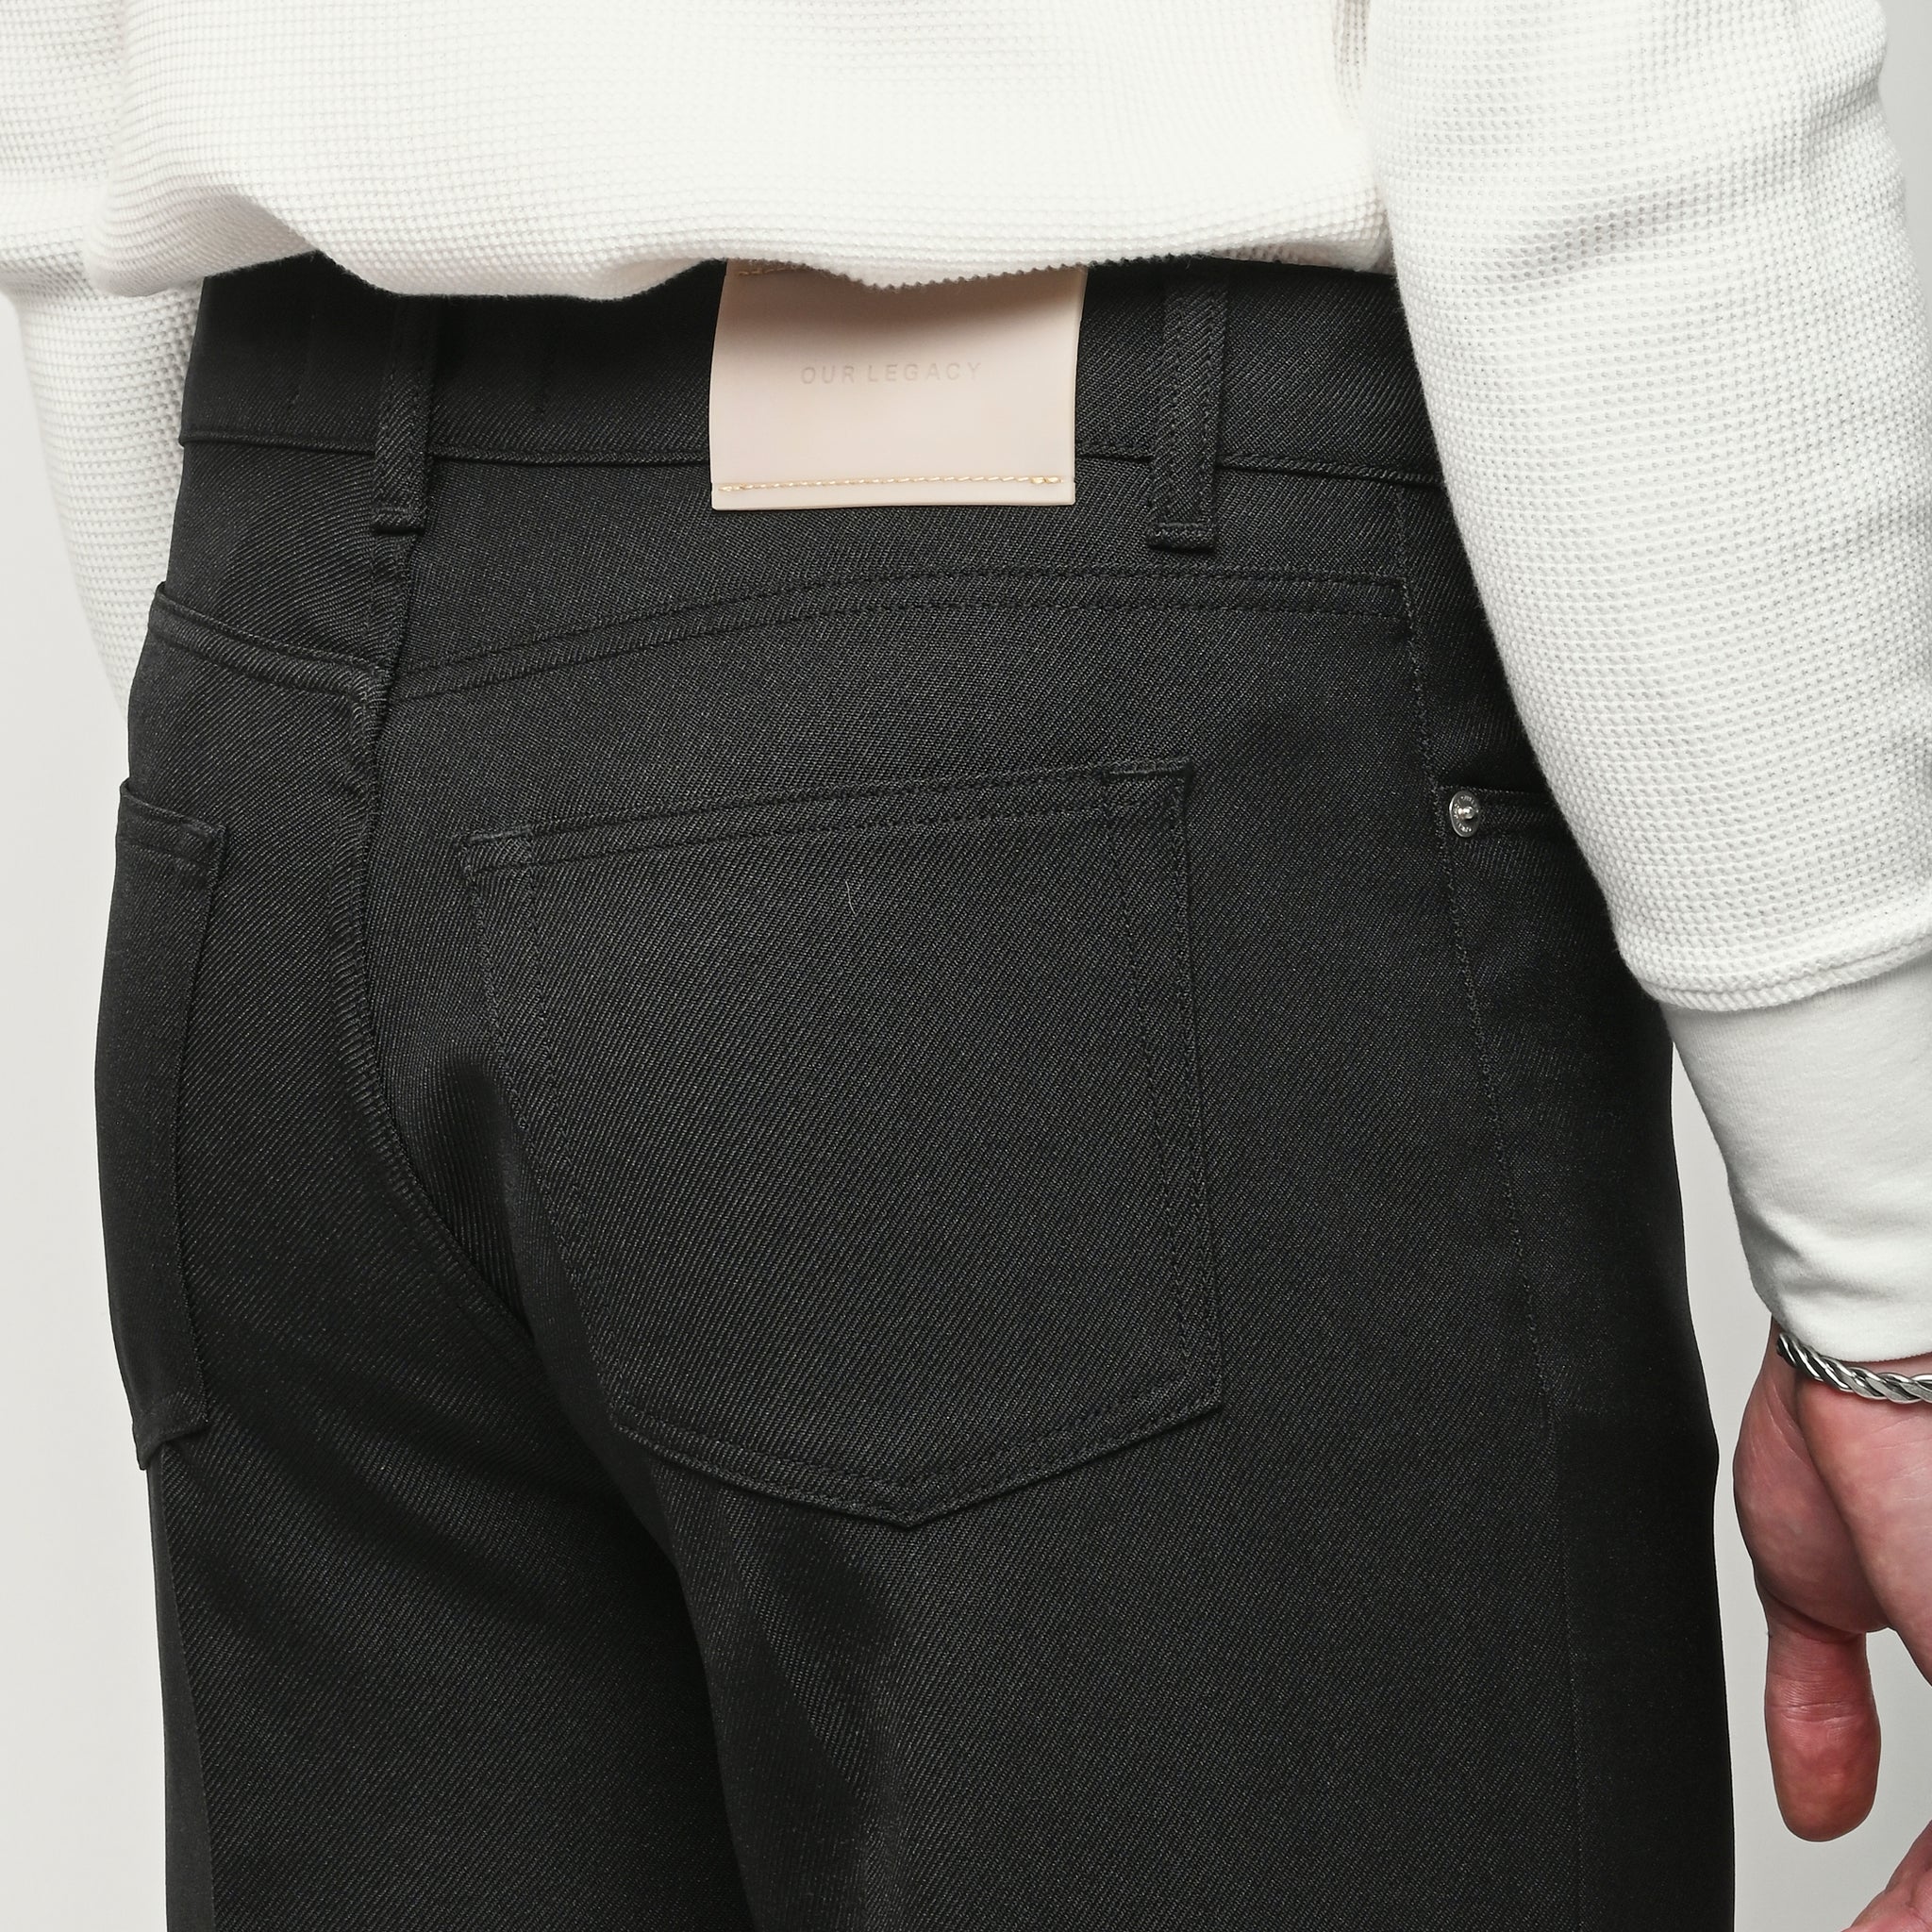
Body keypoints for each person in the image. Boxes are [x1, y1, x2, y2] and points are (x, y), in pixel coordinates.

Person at [6, 6, 1932, 1928]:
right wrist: (1886, 1278)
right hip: (1061, 726)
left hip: (280, 674)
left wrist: (250, 724)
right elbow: (1615, 83)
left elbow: (63, 114)